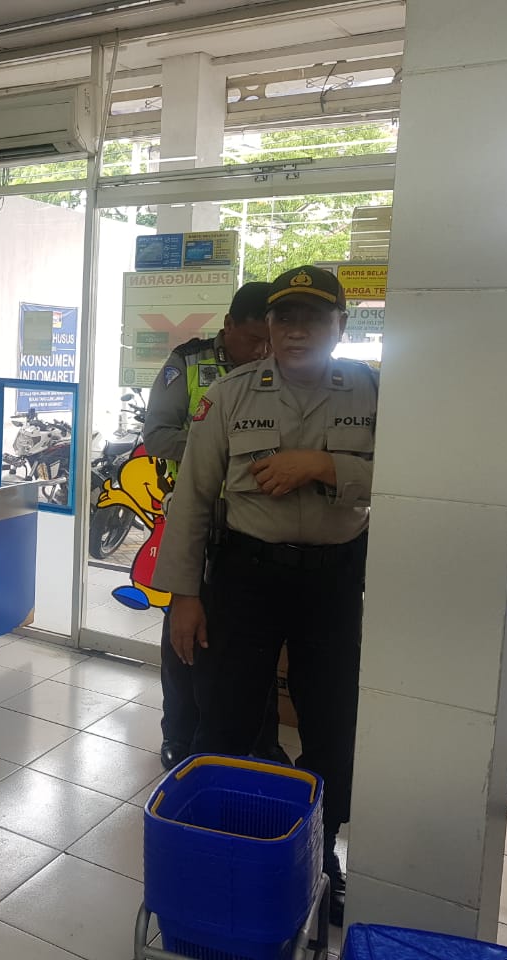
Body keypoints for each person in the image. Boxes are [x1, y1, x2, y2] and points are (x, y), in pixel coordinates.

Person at [152, 265, 377, 927]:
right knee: (225, 717)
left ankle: (321, 854)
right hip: (246, 578)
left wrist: (327, 466)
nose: (295, 331)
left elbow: (415, 478)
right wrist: (184, 596)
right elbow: (192, 499)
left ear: (341, 324)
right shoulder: (230, 395)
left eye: (312, 318)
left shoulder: (375, 391)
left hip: (334, 581)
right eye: (284, 318)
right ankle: (219, 847)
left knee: (331, 722)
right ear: (269, 327)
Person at [140, 281, 287, 770]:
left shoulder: (282, 371)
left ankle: (261, 740)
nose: (261, 351)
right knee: (185, 635)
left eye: (268, 340)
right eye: (253, 338)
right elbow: (158, 435)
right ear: (228, 326)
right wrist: (220, 448)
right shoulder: (188, 363)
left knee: (257, 640)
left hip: (257, 525)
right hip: (198, 522)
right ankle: (179, 734)